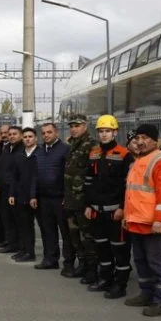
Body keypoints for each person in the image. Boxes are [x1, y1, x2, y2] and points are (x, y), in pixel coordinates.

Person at [123, 124, 161, 316]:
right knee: (141, 261)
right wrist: (127, 217)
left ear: (155, 140)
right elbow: (132, 193)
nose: (140, 141)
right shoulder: (139, 161)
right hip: (137, 221)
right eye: (138, 138)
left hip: (153, 223)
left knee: (157, 262)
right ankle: (146, 294)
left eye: (145, 137)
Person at [84, 114, 134, 298]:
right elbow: (88, 181)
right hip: (97, 211)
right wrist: (88, 205)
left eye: (107, 131)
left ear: (115, 132)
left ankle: (120, 285)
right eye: (101, 131)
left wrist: (122, 207)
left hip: (115, 212)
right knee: (101, 248)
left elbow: (128, 185)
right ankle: (106, 279)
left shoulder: (124, 155)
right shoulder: (94, 153)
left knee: (119, 249)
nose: (104, 135)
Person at [64, 114, 98, 281]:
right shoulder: (73, 144)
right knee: (74, 235)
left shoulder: (91, 145)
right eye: (71, 126)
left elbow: (92, 174)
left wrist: (89, 202)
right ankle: (83, 264)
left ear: (85, 126)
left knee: (87, 237)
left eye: (77, 125)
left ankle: (92, 270)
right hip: (71, 199)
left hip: (83, 200)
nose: (73, 128)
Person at [34, 123, 71, 271]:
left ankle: (68, 262)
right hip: (44, 198)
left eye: (49, 132)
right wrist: (34, 195)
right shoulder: (41, 151)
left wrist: (67, 195)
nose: (46, 135)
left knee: (66, 233)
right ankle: (50, 259)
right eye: (43, 133)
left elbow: (69, 175)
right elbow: (35, 175)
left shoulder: (65, 149)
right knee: (47, 231)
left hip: (60, 198)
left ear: (56, 133)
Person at [9, 127, 38, 262]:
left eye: (30, 136)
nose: (27, 139)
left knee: (43, 228)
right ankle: (26, 251)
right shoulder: (19, 155)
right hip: (21, 196)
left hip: (37, 197)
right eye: (25, 137)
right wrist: (12, 194)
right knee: (24, 225)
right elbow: (14, 176)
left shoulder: (40, 153)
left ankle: (46, 255)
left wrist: (34, 195)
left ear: (36, 138)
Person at [0, 126, 24, 254]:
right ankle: (10, 242)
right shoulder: (6, 148)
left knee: (16, 220)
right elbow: (0, 168)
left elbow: (18, 173)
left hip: (15, 190)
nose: (10, 136)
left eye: (13, 134)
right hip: (4, 189)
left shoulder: (22, 150)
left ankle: (19, 246)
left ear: (21, 135)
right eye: (8, 134)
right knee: (6, 218)